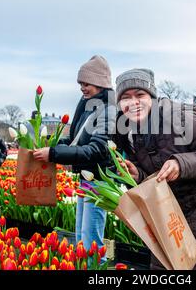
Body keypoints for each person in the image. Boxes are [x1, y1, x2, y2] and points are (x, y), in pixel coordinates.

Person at [113, 68, 196, 270]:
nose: (133, 102)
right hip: (167, 221)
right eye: (125, 97)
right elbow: (155, 178)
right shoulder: (129, 131)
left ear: (152, 97)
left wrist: (181, 164)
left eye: (140, 95)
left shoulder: (182, 118)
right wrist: (138, 174)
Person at [33, 55, 115, 261]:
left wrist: (53, 154)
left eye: (86, 83)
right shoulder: (88, 104)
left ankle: (97, 271)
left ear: (100, 82)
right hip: (86, 176)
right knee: (80, 236)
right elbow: (75, 140)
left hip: (99, 179)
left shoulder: (109, 109)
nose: (82, 88)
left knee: (91, 240)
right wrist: (52, 145)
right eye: (80, 83)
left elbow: (96, 149)